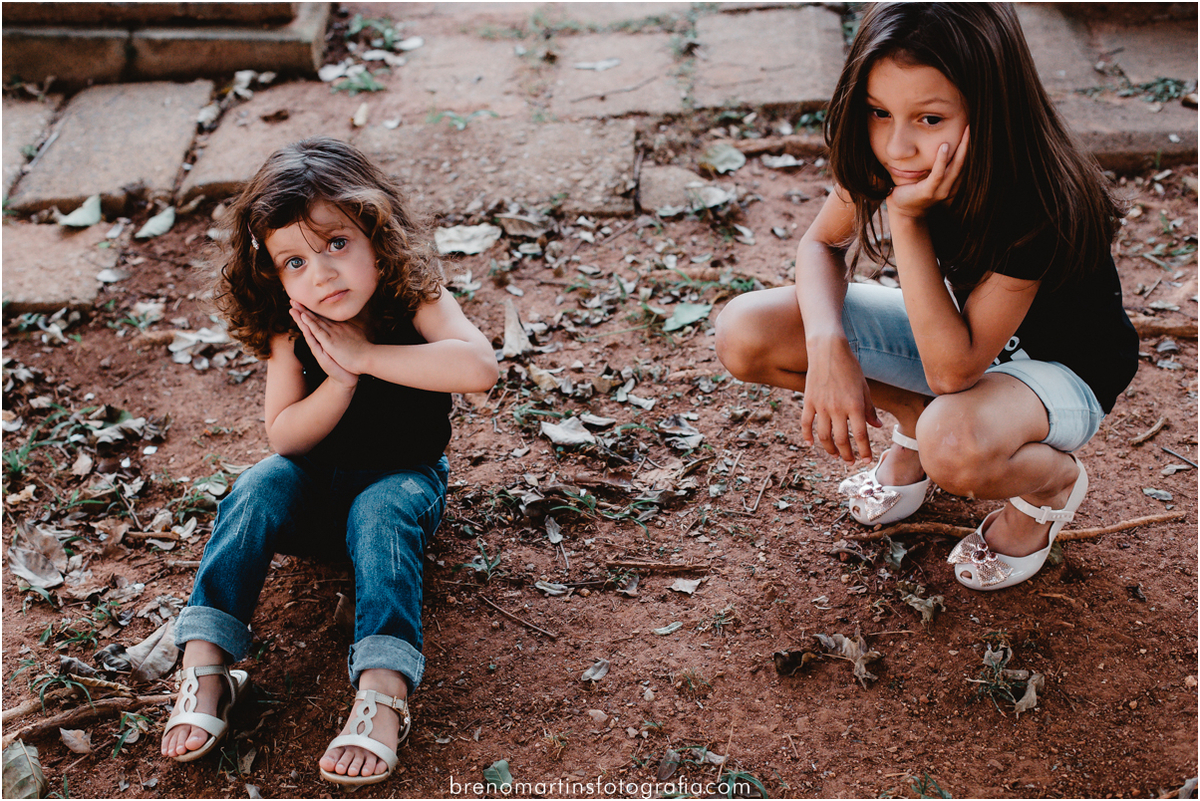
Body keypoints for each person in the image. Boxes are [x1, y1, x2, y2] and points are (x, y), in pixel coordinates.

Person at [714, 3, 1137, 591]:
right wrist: (829, 345)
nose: (898, 147)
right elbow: (821, 245)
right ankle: (912, 420)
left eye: (930, 119)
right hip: (960, 334)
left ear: (989, 109)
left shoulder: (1038, 199)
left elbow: (952, 372)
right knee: (747, 331)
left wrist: (907, 221)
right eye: (879, 112)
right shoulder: (890, 156)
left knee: (954, 442)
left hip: (1059, 369)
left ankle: (1049, 484)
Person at [159, 138, 499, 784]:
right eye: (294, 261)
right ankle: (207, 665)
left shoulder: (413, 298)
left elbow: (480, 368)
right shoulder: (293, 329)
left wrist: (367, 356)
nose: (320, 274)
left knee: (380, 507)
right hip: (316, 493)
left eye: (336, 244)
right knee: (258, 484)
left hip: (401, 486)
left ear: (376, 232)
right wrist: (339, 381)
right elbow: (284, 436)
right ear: (272, 273)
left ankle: (383, 686)